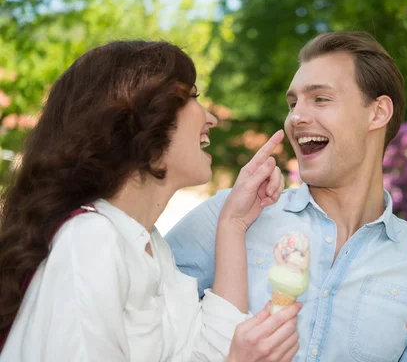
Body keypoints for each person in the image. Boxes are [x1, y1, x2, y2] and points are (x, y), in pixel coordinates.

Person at [166, 31, 407, 361]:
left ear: (378, 112)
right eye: (293, 103)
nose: (295, 117)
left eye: (320, 99)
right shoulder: (231, 214)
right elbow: (139, 323)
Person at [0, 41, 301, 362]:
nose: (210, 117)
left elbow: (206, 353)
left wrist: (234, 222)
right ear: (141, 120)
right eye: (192, 97)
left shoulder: (148, 245)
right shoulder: (90, 241)